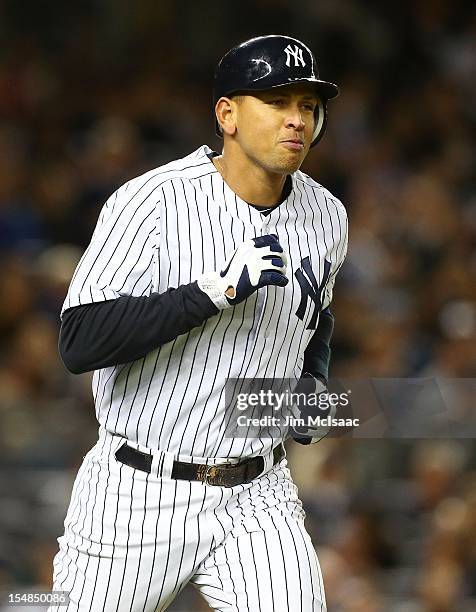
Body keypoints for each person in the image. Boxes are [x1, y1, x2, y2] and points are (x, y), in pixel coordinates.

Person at [49, 34, 348, 612]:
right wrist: (215, 291)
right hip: (139, 489)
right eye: (278, 102)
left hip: (259, 495)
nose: (297, 121)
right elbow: (79, 340)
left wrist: (310, 397)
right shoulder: (152, 202)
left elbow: (316, 321)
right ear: (227, 114)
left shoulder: (327, 214)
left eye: (307, 107)